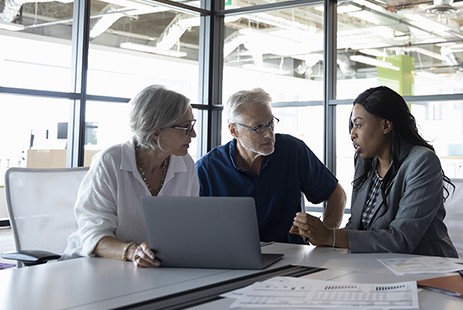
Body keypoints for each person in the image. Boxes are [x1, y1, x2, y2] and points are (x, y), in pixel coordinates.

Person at [292, 86, 457, 257]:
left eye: (358, 125)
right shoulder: (365, 162)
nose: (352, 134)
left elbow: (401, 240)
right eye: (352, 126)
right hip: (374, 267)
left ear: (386, 125)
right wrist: (321, 237)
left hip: (426, 270)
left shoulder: (422, 162)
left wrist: (330, 236)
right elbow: (356, 226)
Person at [63, 85, 199, 268]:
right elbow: (93, 235)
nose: (193, 134)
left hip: (154, 269)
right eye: (185, 127)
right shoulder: (110, 161)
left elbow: (188, 228)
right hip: (96, 267)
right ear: (157, 131)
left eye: (192, 125)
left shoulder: (185, 164)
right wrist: (133, 251)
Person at [196, 88, 346, 244]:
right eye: (258, 127)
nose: (269, 134)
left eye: (270, 124)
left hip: (293, 258)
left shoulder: (292, 150)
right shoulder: (207, 168)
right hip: (232, 258)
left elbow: (336, 194)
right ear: (234, 131)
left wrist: (327, 237)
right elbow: (193, 224)